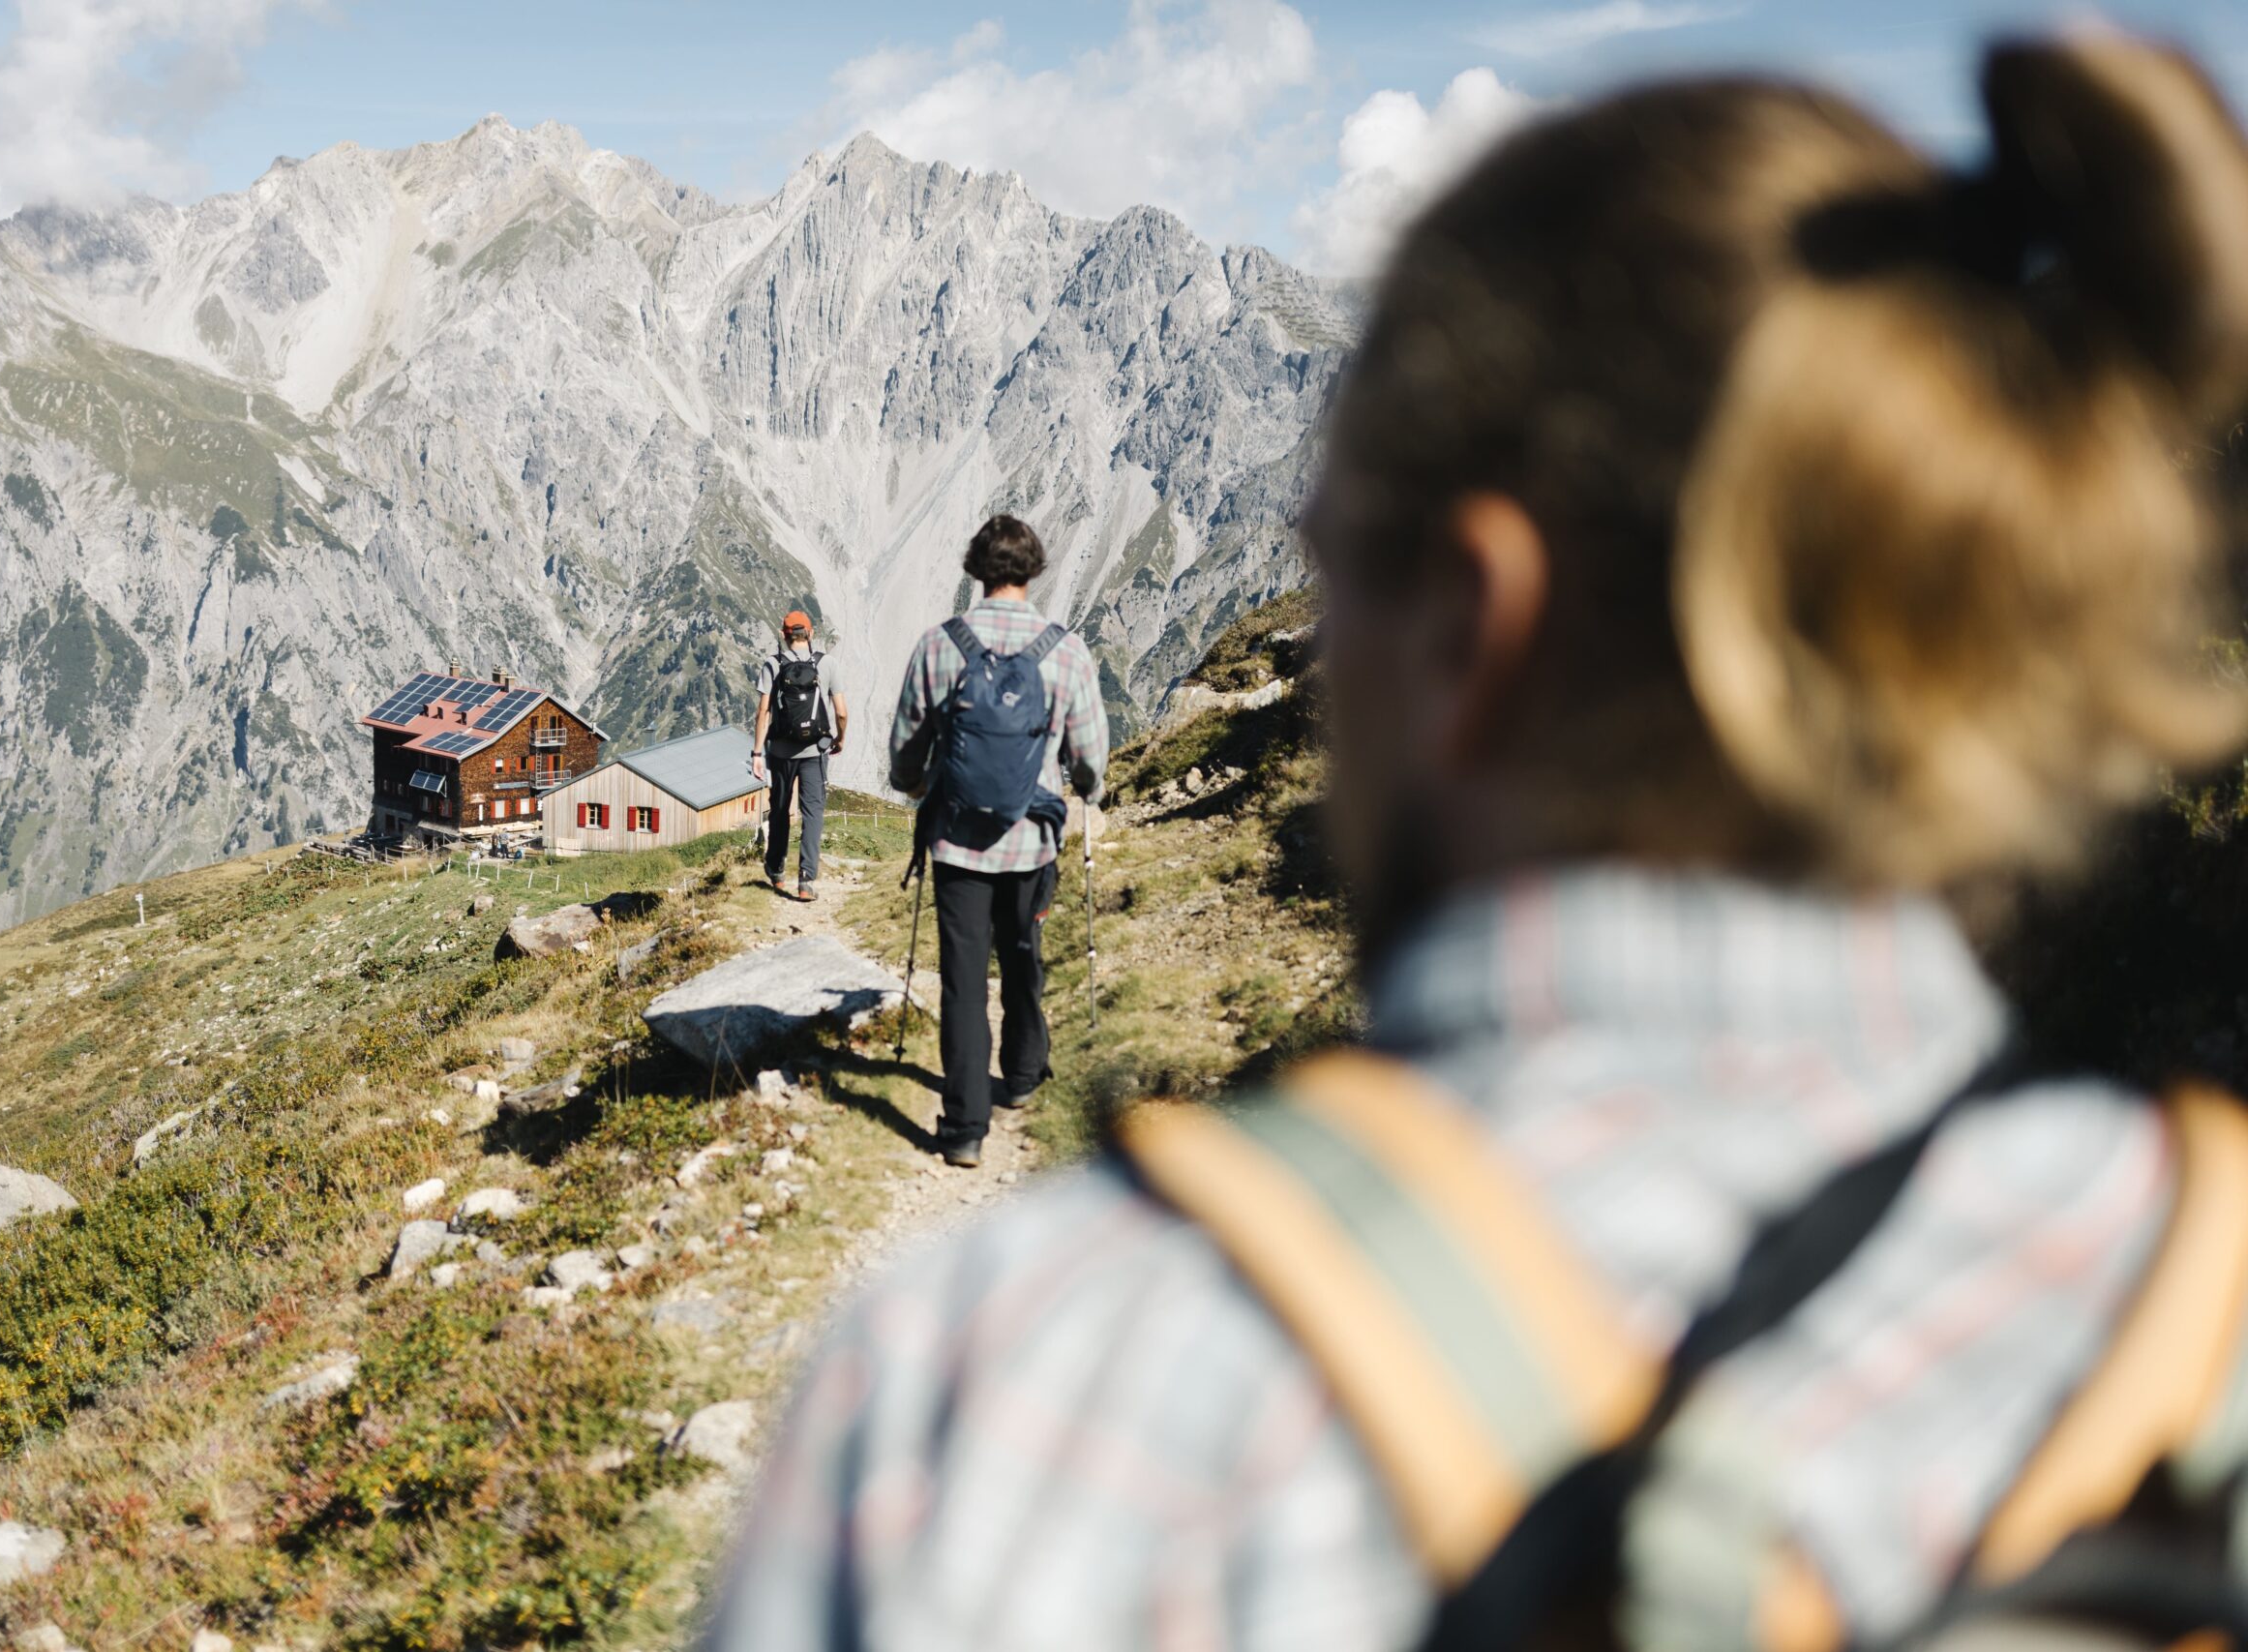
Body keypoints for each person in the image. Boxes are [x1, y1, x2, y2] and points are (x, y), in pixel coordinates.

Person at [704, 32, 2248, 1652]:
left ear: (1470, 624)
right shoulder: (2200, 1307)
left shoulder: (1012, 1392)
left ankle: (969, 1097)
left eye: (1338, 569)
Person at [885, 515, 1109, 1169]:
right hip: (1032, 840)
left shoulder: (939, 645)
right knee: (1021, 955)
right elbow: (1090, 757)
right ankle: (1019, 1075)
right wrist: (1085, 789)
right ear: (1033, 570)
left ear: (977, 570)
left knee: (962, 980)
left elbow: (904, 748)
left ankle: (963, 1127)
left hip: (956, 843)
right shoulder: (1065, 650)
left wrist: (918, 785)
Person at [752, 609, 847, 902]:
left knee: (780, 809)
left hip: (780, 751)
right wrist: (840, 739)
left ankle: (776, 869)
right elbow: (841, 712)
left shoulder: (773, 664)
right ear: (811, 633)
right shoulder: (827, 664)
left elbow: (763, 712)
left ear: (784, 634)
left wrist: (757, 752)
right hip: (815, 751)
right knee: (813, 812)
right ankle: (806, 879)